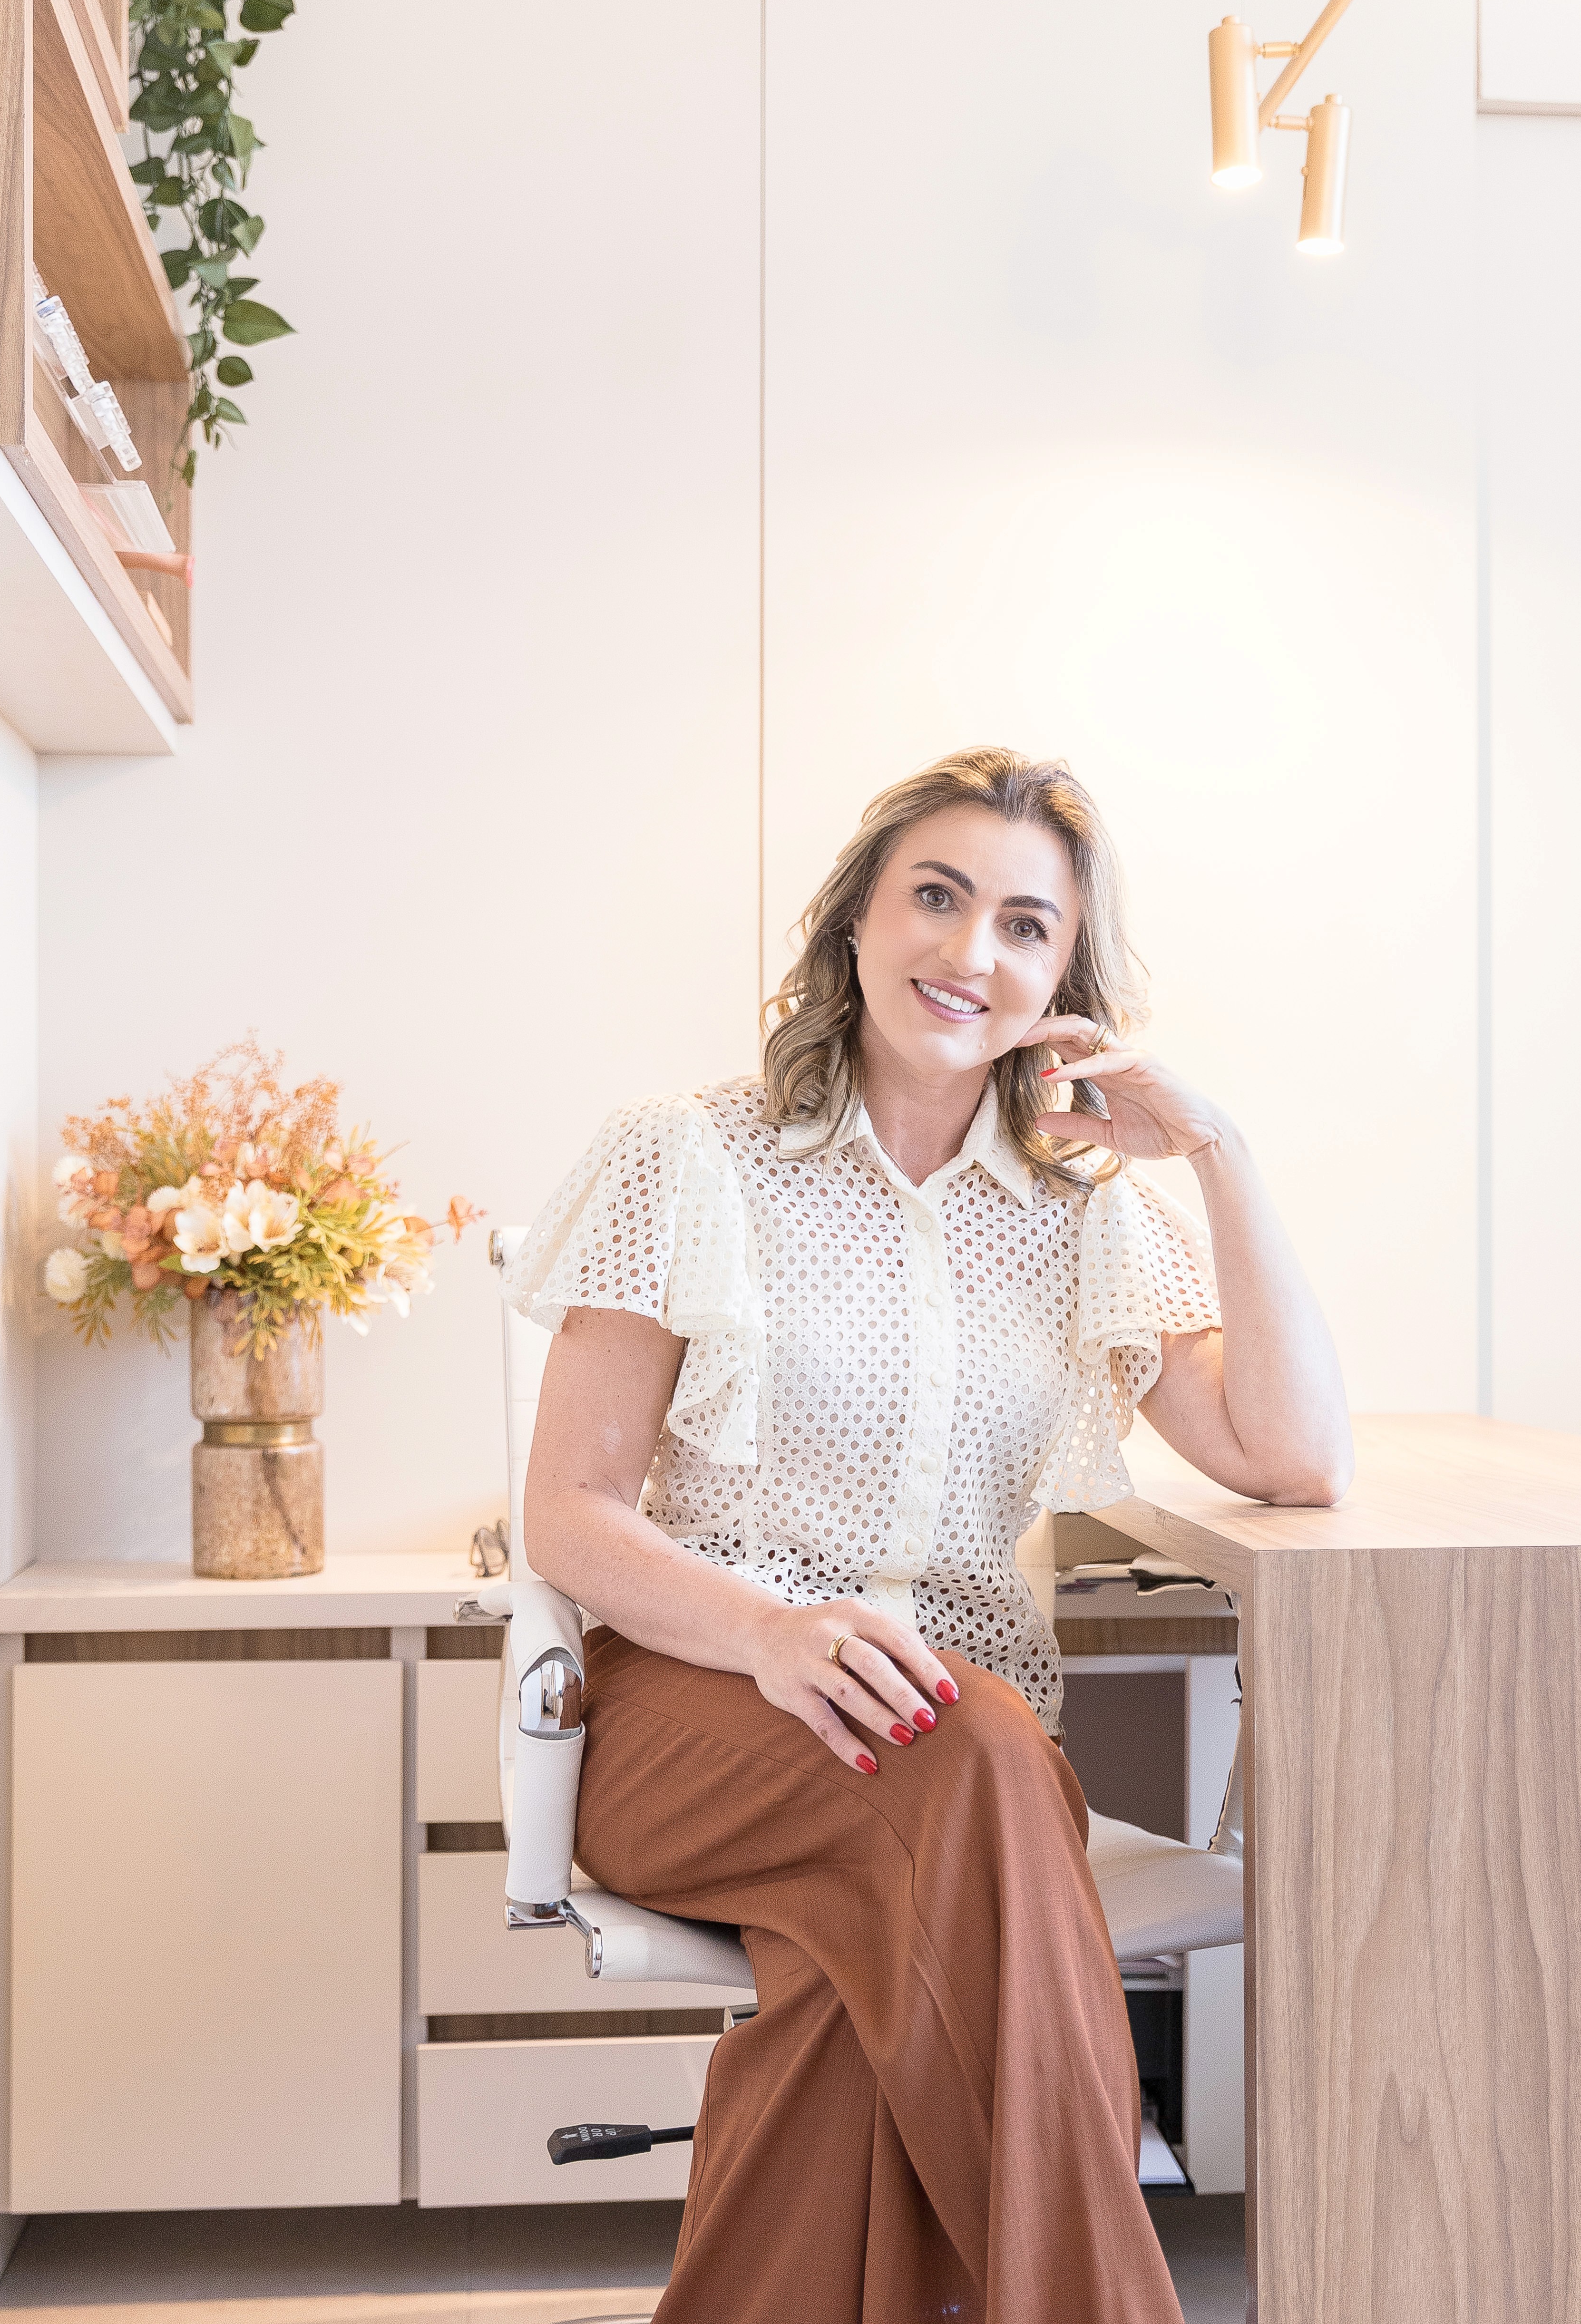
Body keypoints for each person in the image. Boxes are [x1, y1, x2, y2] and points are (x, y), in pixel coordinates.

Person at [507, 746, 1351, 2324]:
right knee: (961, 1765)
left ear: (1062, 981)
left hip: (963, 1754)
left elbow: (1294, 1456)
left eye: (1026, 926)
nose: (972, 954)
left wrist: (1216, 1151)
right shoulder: (687, 1153)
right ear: (856, 925)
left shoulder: (1081, 1208)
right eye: (939, 899)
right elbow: (569, 1511)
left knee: (863, 1975)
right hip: (696, 1707)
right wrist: (768, 1631)